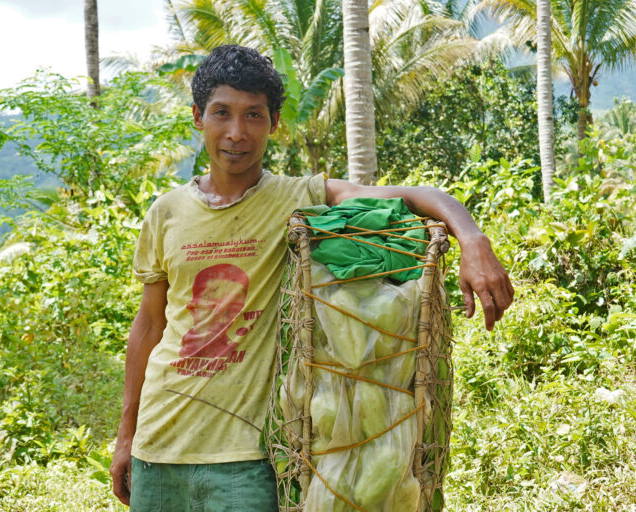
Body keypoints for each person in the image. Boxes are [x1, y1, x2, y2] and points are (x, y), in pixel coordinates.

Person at [110, 44, 513, 510]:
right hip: (157, 446)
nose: (237, 133)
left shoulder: (297, 198)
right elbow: (150, 327)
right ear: (198, 117)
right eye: (222, 113)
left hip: (245, 458)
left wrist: (473, 242)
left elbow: (416, 195)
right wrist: (126, 436)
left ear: (274, 123)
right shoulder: (166, 212)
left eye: (254, 116)